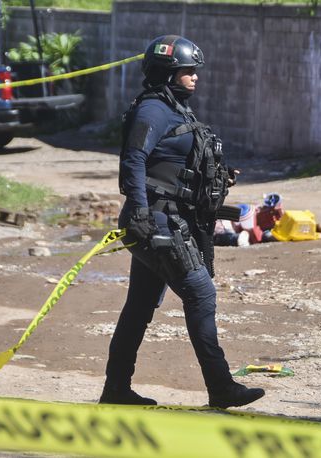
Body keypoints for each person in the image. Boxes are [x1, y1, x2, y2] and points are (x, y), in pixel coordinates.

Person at [99, 35, 265, 408]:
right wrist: (141, 213)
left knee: (139, 306)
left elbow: (175, 165)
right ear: (167, 74)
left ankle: (115, 390)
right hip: (156, 223)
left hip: (169, 219)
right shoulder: (152, 111)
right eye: (188, 71)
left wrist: (217, 178)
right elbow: (134, 162)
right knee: (200, 292)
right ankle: (221, 387)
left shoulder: (176, 109)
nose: (195, 78)